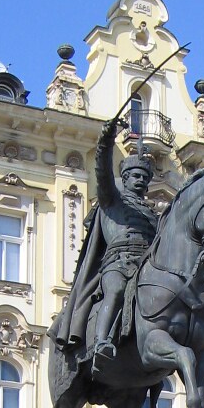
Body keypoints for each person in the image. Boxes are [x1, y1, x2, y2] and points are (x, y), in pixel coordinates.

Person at [51, 115, 158, 368]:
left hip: (147, 266)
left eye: (144, 177)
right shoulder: (113, 200)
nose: (141, 180)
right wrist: (106, 141)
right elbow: (102, 171)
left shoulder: (152, 215)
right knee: (117, 289)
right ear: (126, 178)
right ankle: (101, 343)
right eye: (135, 175)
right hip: (117, 263)